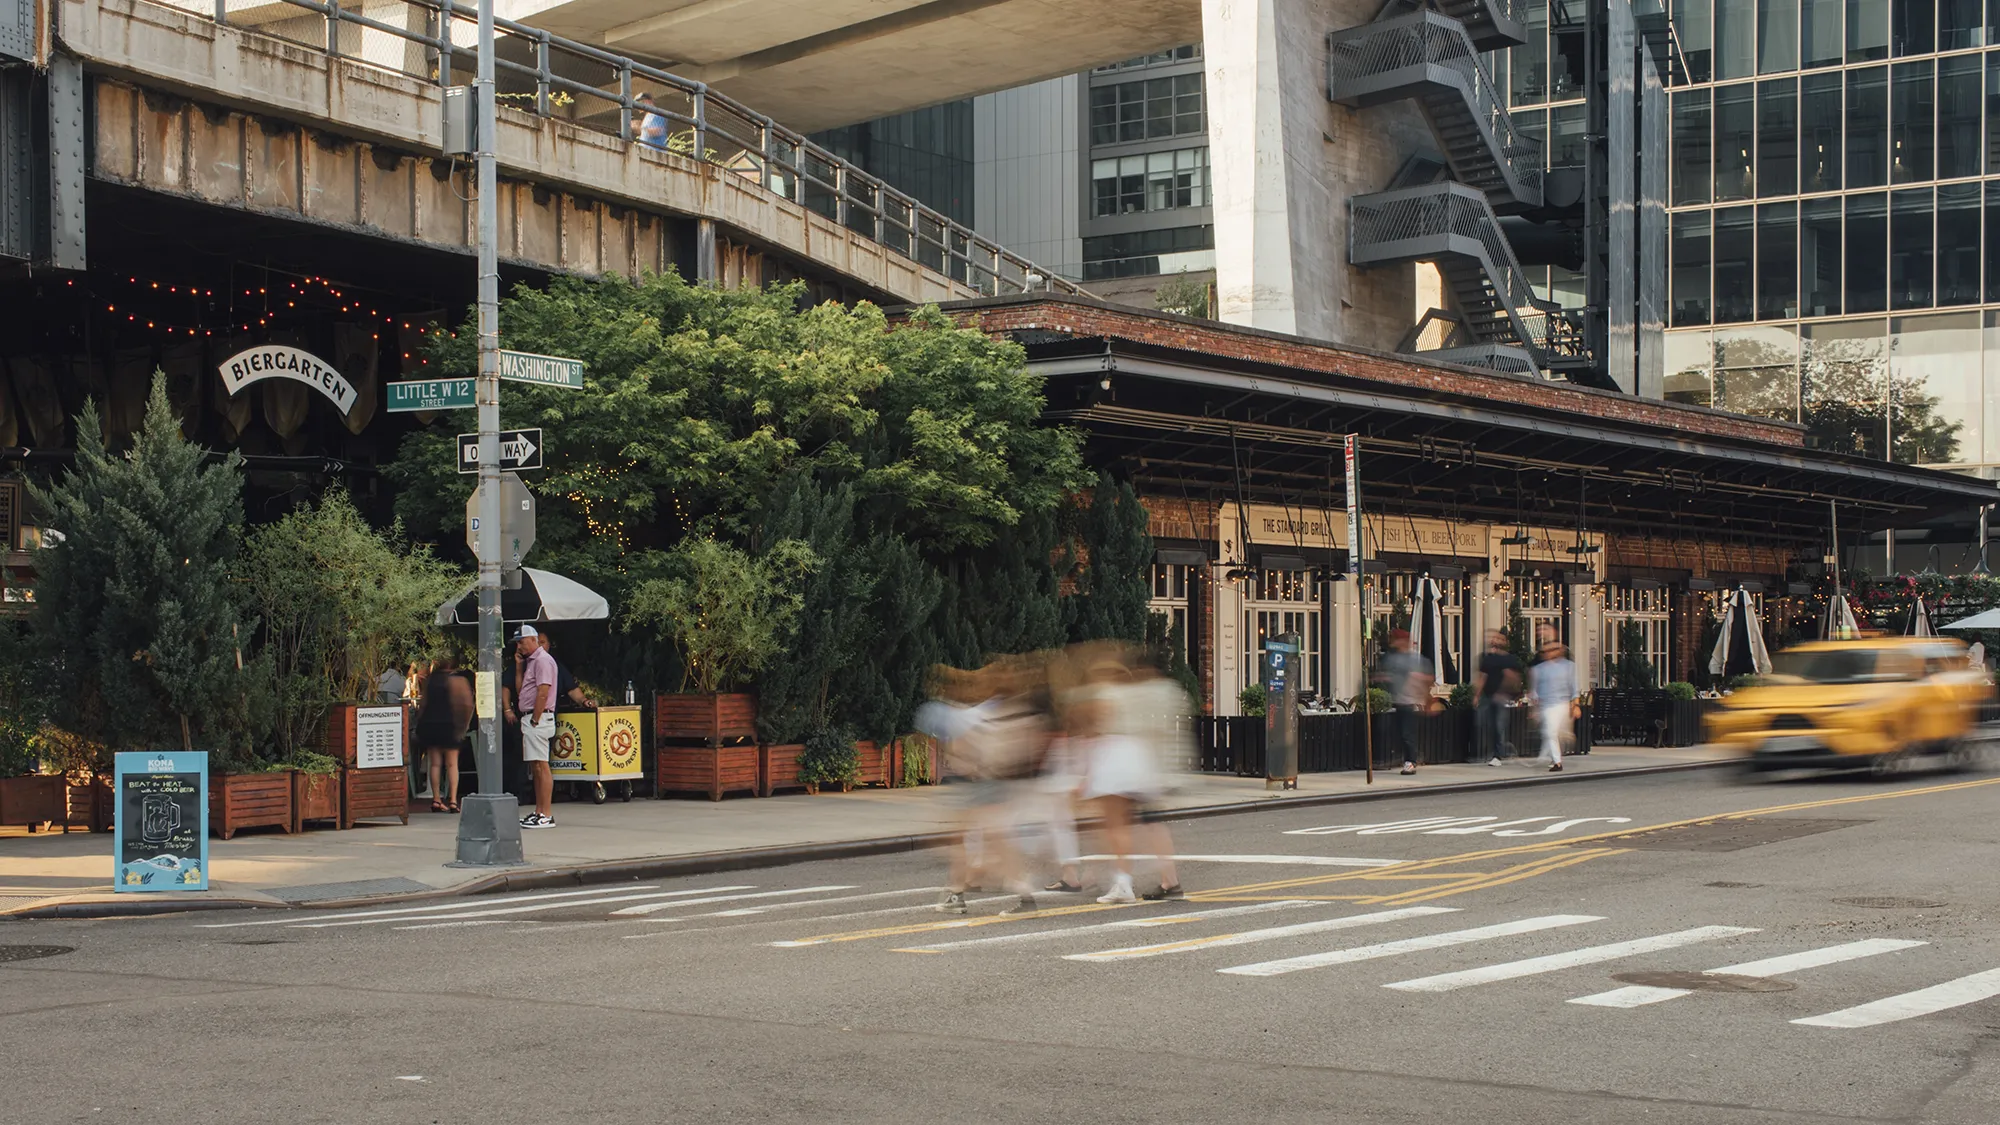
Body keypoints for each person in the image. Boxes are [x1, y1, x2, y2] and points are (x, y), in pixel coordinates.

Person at [504, 625, 558, 828]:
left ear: (533, 640)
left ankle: (546, 813)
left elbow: (543, 692)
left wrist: (535, 719)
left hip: (539, 719)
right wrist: (519, 666)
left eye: (521, 641)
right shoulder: (531, 662)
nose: (519, 646)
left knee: (541, 766)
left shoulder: (543, 661)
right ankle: (539, 810)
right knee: (535, 767)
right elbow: (522, 691)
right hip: (531, 718)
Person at [414, 656, 474, 813]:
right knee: (452, 764)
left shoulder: (430, 680)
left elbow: (423, 704)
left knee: (435, 764)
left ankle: (436, 799)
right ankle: (453, 800)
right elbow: (466, 704)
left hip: (431, 724)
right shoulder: (458, 681)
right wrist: (463, 725)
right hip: (450, 724)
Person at [1377, 629, 1432, 777]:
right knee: (1399, 732)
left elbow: (1427, 678)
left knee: (1408, 733)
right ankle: (1404, 758)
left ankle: (1411, 761)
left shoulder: (1414, 659)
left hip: (1410, 701)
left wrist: (1424, 697)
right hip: (1398, 700)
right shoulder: (1391, 658)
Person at [1474, 629, 1522, 766]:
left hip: (1501, 697)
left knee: (1498, 725)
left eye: (1500, 639)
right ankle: (1492, 752)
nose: (1496, 641)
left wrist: (1507, 692)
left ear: (1505, 642)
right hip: (1488, 696)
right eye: (1494, 638)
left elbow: (1514, 677)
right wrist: (1477, 695)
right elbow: (1482, 677)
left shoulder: (1509, 659)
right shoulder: (1488, 658)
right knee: (1486, 724)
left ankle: (1498, 755)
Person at [1529, 638, 1578, 773]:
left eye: (1554, 649)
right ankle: (1557, 761)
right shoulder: (1538, 669)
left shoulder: (1568, 666)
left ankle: (1553, 753)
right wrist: (1535, 707)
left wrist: (1576, 705)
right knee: (1550, 732)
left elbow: (1574, 687)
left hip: (1562, 703)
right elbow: (1534, 690)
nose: (1550, 653)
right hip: (1547, 705)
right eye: (1547, 650)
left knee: (1553, 733)